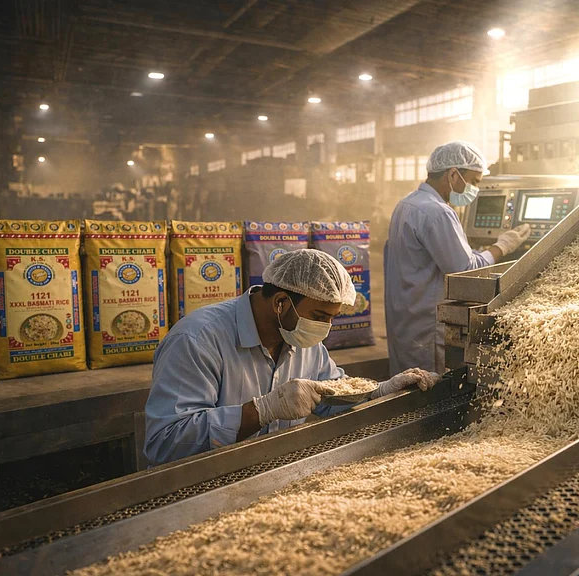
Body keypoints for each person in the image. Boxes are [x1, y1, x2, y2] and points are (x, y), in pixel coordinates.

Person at [145, 249, 439, 465]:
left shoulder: (301, 337)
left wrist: (381, 392)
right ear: (281, 303)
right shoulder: (197, 340)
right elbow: (165, 443)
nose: (326, 328)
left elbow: (331, 395)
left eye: (332, 318)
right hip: (201, 483)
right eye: (320, 316)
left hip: (272, 473)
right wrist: (262, 410)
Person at [384, 141, 531, 375]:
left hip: (406, 319)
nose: (475, 189)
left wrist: (479, 251)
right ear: (453, 174)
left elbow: (440, 256)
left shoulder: (407, 204)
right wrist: (502, 246)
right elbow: (465, 269)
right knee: (427, 384)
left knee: (405, 383)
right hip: (427, 326)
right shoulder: (438, 212)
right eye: (474, 181)